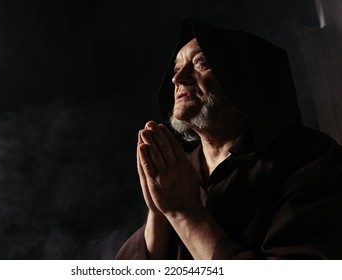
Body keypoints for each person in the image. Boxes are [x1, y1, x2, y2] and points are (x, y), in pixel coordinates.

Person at [115, 18, 342, 259]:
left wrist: (185, 213)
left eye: (201, 61)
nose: (177, 78)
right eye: (176, 68)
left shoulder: (311, 159)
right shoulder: (179, 170)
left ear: (246, 78)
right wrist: (158, 214)